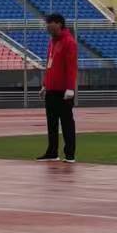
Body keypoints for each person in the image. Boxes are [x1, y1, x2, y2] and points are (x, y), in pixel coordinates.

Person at [39, 12, 78, 163]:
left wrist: (70, 88)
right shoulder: (52, 42)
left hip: (63, 91)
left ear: (59, 24)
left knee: (67, 123)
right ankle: (52, 152)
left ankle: (70, 154)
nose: (48, 27)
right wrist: (45, 85)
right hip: (51, 89)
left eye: (50, 24)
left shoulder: (69, 42)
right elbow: (49, 65)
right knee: (52, 123)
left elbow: (71, 67)